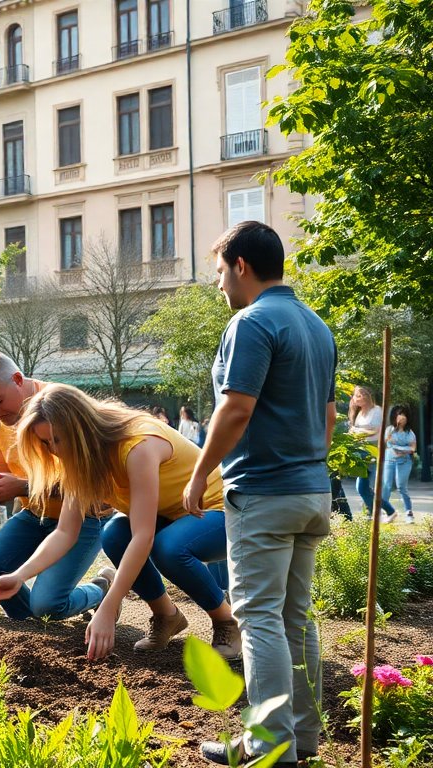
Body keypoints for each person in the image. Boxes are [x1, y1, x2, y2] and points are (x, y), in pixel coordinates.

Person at [185, 221, 337, 766]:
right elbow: (327, 417)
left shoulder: (251, 323)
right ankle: (302, 738)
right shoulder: (317, 326)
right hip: (311, 490)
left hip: (264, 494)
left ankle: (268, 746)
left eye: (220, 272)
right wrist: (306, 463)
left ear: (241, 265)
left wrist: (201, 472)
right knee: (296, 617)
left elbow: (236, 408)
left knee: (260, 618)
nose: (219, 285)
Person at [0, 384, 241, 660]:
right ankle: (167, 615)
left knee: (168, 547)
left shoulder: (137, 445)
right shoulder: (77, 458)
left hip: (219, 511)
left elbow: (144, 536)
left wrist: (109, 606)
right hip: (170, 516)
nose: (54, 451)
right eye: (46, 443)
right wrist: (19, 575)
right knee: (114, 534)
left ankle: (226, 621)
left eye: (57, 440)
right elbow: (64, 532)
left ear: (80, 428)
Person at [0, 351, 115, 623]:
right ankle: (32, 619)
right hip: (36, 514)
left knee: (48, 605)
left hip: (85, 516)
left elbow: (89, 482)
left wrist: (21, 487)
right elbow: (2, 469)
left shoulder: (60, 407)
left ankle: (101, 589)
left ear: (18, 379)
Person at [348, 385, 383, 515]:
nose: (354, 399)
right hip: (360, 451)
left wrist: (358, 432)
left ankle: (378, 511)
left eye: (357, 395)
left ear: (365, 396)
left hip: (371, 451)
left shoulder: (376, 411)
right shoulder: (359, 413)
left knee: (367, 486)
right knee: (362, 487)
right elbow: (353, 430)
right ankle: (372, 511)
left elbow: (376, 431)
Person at [382, 405, 417, 525]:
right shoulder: (389, 429)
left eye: (403, 414)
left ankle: (409, 512)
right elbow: (388, 444)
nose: (401, 417)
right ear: (394, 416)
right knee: (386, 486)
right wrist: (403, 448)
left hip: (404, 462)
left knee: (401, 486)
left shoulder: (410, 433)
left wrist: (401, 450)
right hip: (389, 460)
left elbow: (412, 448)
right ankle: (387, 512)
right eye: (398, 414)